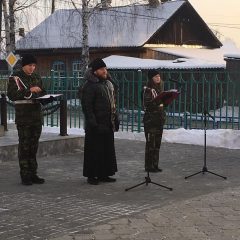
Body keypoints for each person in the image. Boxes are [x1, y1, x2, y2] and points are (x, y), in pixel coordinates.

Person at [7, 54, 46, 185]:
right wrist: (29, 91)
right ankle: (25, 175)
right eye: (30, 65)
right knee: (24, 147)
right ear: (24, 65)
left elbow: (42, 91)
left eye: (34, 66)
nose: (32, 68)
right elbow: (12, 95)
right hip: (24, 118)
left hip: (36, 117)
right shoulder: (15, 78)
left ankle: (33, 173)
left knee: (34, 147)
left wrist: (45, 95)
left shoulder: (36, 77)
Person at [81, 58, 119, 185]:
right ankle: (92, 176)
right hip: (95, 125)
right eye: (102, 69)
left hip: (107, 123)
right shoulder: (89, 86)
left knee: (106, 150)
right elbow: (87, 107)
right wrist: (93, 123)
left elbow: (112, 103)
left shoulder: (108, 84)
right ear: (95, 71)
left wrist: (115, 117)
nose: (105, 71)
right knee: (94, 151)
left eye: (105, 69)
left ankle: (104, 174)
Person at [143, 69, 166, 172]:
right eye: (155, 76)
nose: (158, 78)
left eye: (159, 76)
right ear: (151, 78)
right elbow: (147, 104)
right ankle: (149, 166)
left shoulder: (159, 89)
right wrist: (158, 102)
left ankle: (155, 164)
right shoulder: (148, 90)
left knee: (157, 144)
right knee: (150, 144)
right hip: (151, 120)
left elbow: (161, 104)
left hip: (159, 120)